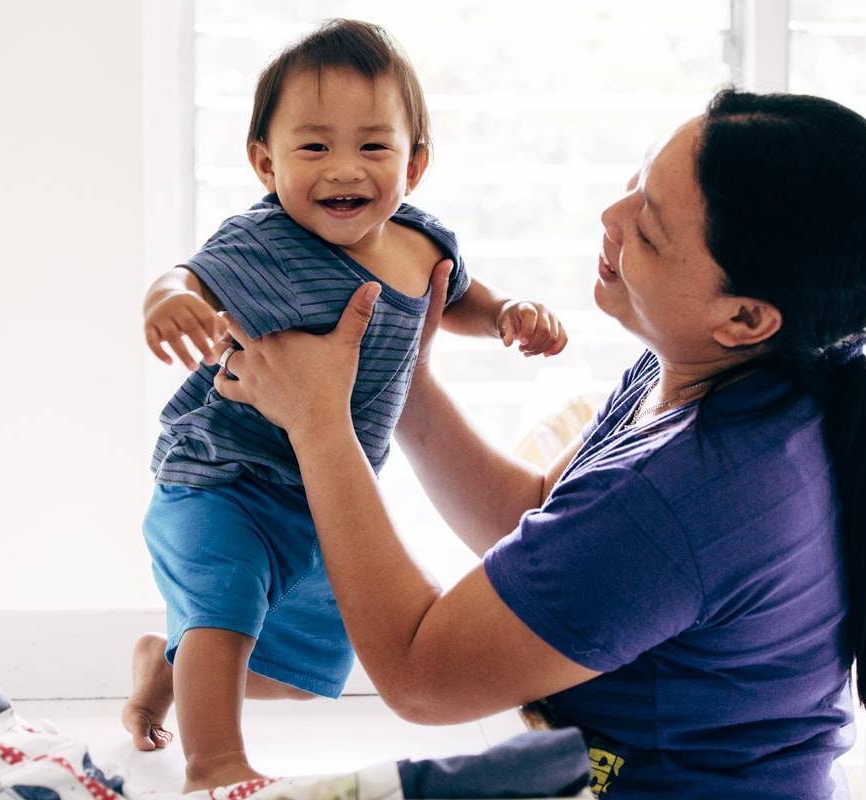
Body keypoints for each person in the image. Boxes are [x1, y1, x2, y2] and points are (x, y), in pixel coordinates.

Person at [209, 88, 866, 799]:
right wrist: (406, 383)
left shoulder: (685, 491)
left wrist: (321, 426)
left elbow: (423, 676)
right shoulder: (734, 372)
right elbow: (543, 521)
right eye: (636, 184)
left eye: (651, 229)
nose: (612, 218)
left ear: (745, 317)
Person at [124, 19, 568, 791]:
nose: (344, 170)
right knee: (224, 615)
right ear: (265, 162)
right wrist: (167, 301)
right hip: (222, 476)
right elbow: (187, 276)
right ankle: (215, 764)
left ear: (415, 164)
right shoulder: (263, 242)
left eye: (372, 146)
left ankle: (166, 667)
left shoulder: (422, 242)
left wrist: (506, 315)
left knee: (303, 672)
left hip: (326, 492)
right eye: (314, 147)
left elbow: (458, 297)